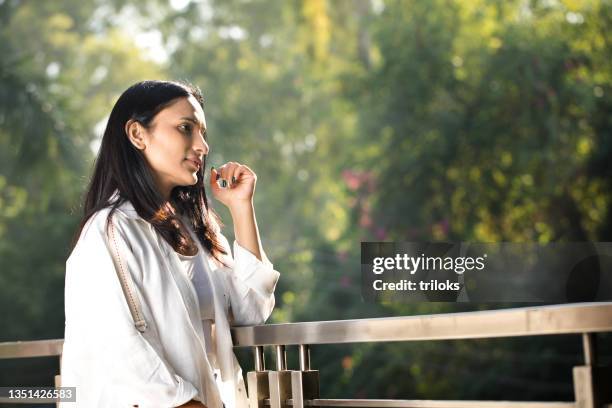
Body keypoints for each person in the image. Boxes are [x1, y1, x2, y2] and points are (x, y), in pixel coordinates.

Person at [60, 80, 280, 407]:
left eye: (203, 132)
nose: (202, 146)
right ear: (137, 135)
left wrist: (240, 207)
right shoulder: (111, 231)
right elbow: (124, 354)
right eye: (185, 128)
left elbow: (251, 310)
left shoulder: (195, 230)